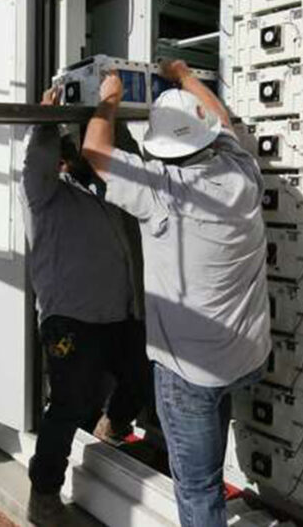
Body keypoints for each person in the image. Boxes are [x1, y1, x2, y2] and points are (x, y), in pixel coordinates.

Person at [81, 60, 272, 527]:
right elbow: (222, 123)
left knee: (198, 485)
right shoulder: (242, 170)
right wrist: (185, 76)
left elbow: (94, 149)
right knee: (211, 430)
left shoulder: (160, 190)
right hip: (243, 358)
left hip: (189, 372)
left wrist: (108, 97)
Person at [20, 86, 152, 524]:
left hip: (120, 312)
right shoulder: (42, 195)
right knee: (69, 404)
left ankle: (112, 426)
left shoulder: (102, 193)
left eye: (71, 152)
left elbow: (121, 162)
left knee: (140, 377)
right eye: (61, 153)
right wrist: (45, 124)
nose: (67, 158)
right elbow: (36, 161)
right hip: (70, 320)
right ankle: (43, 493)